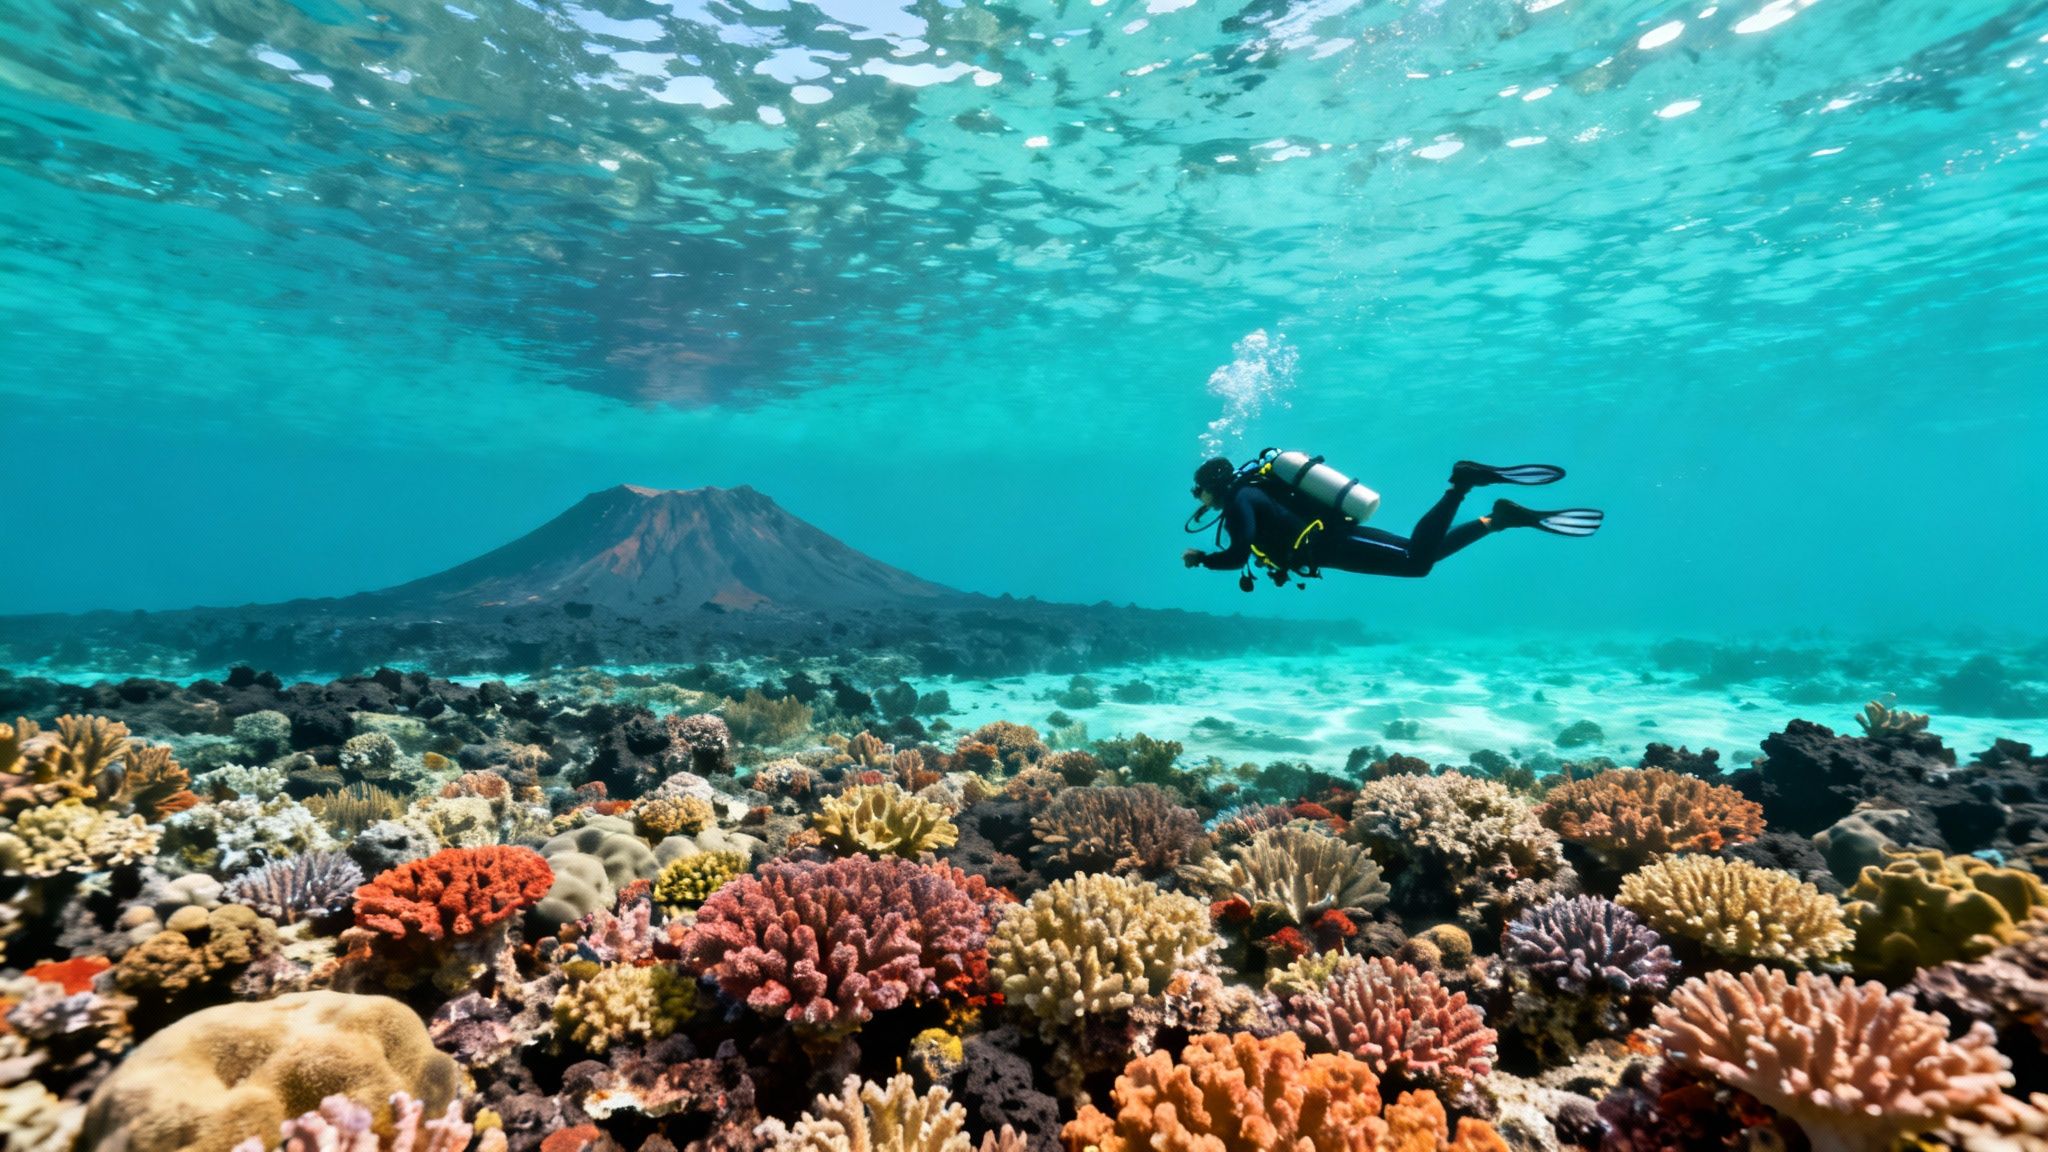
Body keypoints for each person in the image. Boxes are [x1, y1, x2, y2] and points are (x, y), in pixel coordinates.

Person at [1181, 458, 1602, 581]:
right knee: (1416, 558)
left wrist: (1202, 558)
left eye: (1198, 491)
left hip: (1332, 544)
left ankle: (1460, 484)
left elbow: (1238, 555)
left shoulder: (1240, 501)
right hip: (1332, 542)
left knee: (1415, 561)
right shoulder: (1254, 491)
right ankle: (1498, 519)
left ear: (1212, 486)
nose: (1200, 501)